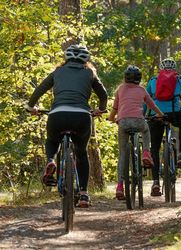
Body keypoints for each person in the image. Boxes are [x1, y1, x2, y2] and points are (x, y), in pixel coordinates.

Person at [25, 44, 108, 208]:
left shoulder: (57, 72)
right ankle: (83, 194)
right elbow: (103, 95)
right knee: (81, 153)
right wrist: (101, 109)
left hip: (58, 114)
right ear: (86, 59)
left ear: (66, 58)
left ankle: (51, 161)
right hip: (82, 116)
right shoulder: (90, 73)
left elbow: (40, 89)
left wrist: (31, 107)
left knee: (51, 141)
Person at [108, 65, 164, 200]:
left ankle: (120, 186)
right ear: (139, 79)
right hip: (139, 121)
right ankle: (146, 152)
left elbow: (115, 108)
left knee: (122, 154)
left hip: (123, 122)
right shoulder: (142, 90)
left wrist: (111, 119)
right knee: (146, 130)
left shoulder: (120, 89)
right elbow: (152, 105)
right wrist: (160, 115)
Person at [145, 58, 181, 196]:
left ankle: (155, 182)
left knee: (154, 148)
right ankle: (180, 155)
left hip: (156, 115)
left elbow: (145, 100)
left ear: (161, 68)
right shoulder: (180, 81)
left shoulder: (152, 81)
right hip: (175, 113)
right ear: (174, 68)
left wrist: (143, 115)